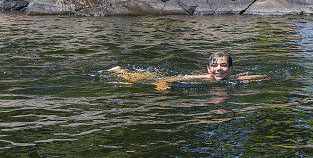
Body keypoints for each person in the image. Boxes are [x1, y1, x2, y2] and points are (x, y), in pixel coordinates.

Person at [109, 52, 267, 90]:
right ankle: (119, 71)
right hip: (165, 76)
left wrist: (264, 78)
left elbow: (255, 76)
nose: (219, 68)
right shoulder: (204, 77)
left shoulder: (234, 79)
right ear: (208, 68)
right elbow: (177, 78)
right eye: (215, 65)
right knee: (141, 79)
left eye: (223, 65)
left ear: (230, 69)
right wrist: (163, 83)